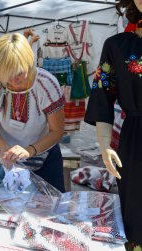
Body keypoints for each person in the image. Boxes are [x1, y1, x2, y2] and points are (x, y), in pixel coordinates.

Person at [84, 0, 142, 244]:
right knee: (137, 215)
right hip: (135, 143)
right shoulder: (117, 46)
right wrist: (104, 144)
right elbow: (102, 98)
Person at [0, 33, 65, 192]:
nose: (13, 81)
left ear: (28, 61)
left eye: (19, 73)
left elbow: (57, 131)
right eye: (7, 75)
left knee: (49, 209)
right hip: (6, 158)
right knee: (4, 211)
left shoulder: (46, 85)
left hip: (44, 157)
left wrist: (29, 151)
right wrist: (5, 148)